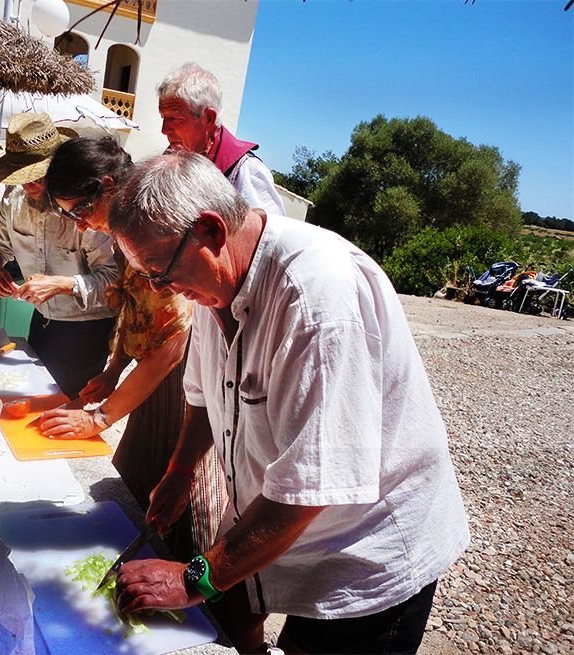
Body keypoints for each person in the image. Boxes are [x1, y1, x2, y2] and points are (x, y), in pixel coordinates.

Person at [110, 152, 470, 655]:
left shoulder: (317, 298)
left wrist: (195, 578)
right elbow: (202, 393)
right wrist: (182, 469)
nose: (161, 290)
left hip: (366, 555)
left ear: (211, 232)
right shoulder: (215, 285)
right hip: (301, 534)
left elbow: (313, 482)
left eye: (159, 272)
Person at [42, 136, 227, 560]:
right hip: (152, 380)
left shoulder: (154, 225)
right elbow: (134, 312)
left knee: (185, 517)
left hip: (184, 387)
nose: (81, 225)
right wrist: (112, 370)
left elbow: (174, 344)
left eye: (82, 211)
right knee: (132, 496)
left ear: (108, 185)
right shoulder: (124, 232)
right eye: (70, 215)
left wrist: (100, 418)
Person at [0, 113, 118, 399]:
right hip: (41, 321)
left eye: (36, 177)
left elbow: (114, 282)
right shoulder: (14, 200)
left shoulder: (85, 208)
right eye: (22, 179)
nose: (29, 186)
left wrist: (61, 284)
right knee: (28, 398)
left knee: (63, 408)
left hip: (86, 331)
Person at [157, 62, 287, 216]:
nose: (164, 130)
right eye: (163, 117)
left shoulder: (245, 172)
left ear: (208, 118)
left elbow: (268, 237)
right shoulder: (172, 157)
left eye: (175, 118)